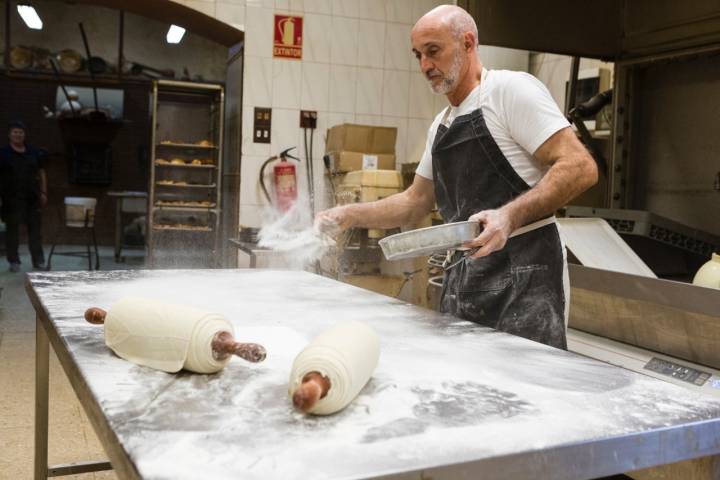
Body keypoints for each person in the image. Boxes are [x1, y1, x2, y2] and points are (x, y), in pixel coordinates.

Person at [315, 5, 598, 350]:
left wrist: (507, 217)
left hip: (526, 281)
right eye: (418, 55)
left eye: (433, 51)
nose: (424, 66)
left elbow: (580, 166)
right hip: (468, 280)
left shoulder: (509, 92)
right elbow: (413, 202)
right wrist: (346, 216)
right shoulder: (442, 126)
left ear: (467, 43)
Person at [0, 121, 48, 272]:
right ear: (9, 135)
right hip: (10, 198)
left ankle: (38, 261)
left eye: (20, 132)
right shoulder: (3, 153)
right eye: (15, 132)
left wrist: (43, 192)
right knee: (12, 231)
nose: (18, 135)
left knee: (35, 231)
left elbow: (41, 173)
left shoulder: (33, 152)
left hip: (32, 197)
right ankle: (14, 261)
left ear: (24, 134)